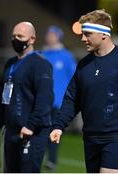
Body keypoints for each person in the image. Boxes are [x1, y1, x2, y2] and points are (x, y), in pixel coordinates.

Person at [50, 9, 118, 173]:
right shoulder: (84, 65)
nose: (83, 38)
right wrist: (58, 126)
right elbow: (72, 99)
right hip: (91, 138)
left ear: (104, 35)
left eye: (88, 34)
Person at [0, 21, 54, 173]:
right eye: (13, 36)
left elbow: (45, 99)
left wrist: (31, 125)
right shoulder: (10, 64)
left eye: (20, 36)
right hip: (11, 131)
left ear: (32, 39)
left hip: (31, 133)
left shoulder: (40, 64)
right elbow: (3, 98)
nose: (15, 39)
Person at [39, 25, 76, 170]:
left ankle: (52, 160)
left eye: (53, 34)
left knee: (53, 132)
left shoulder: (66, 56)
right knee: (39, 131)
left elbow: (74, 78)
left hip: (58, 102)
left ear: (59, 37)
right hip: (41, 101)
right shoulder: (40, 54)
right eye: (48, 34)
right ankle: (37, 157)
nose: (50, 37)